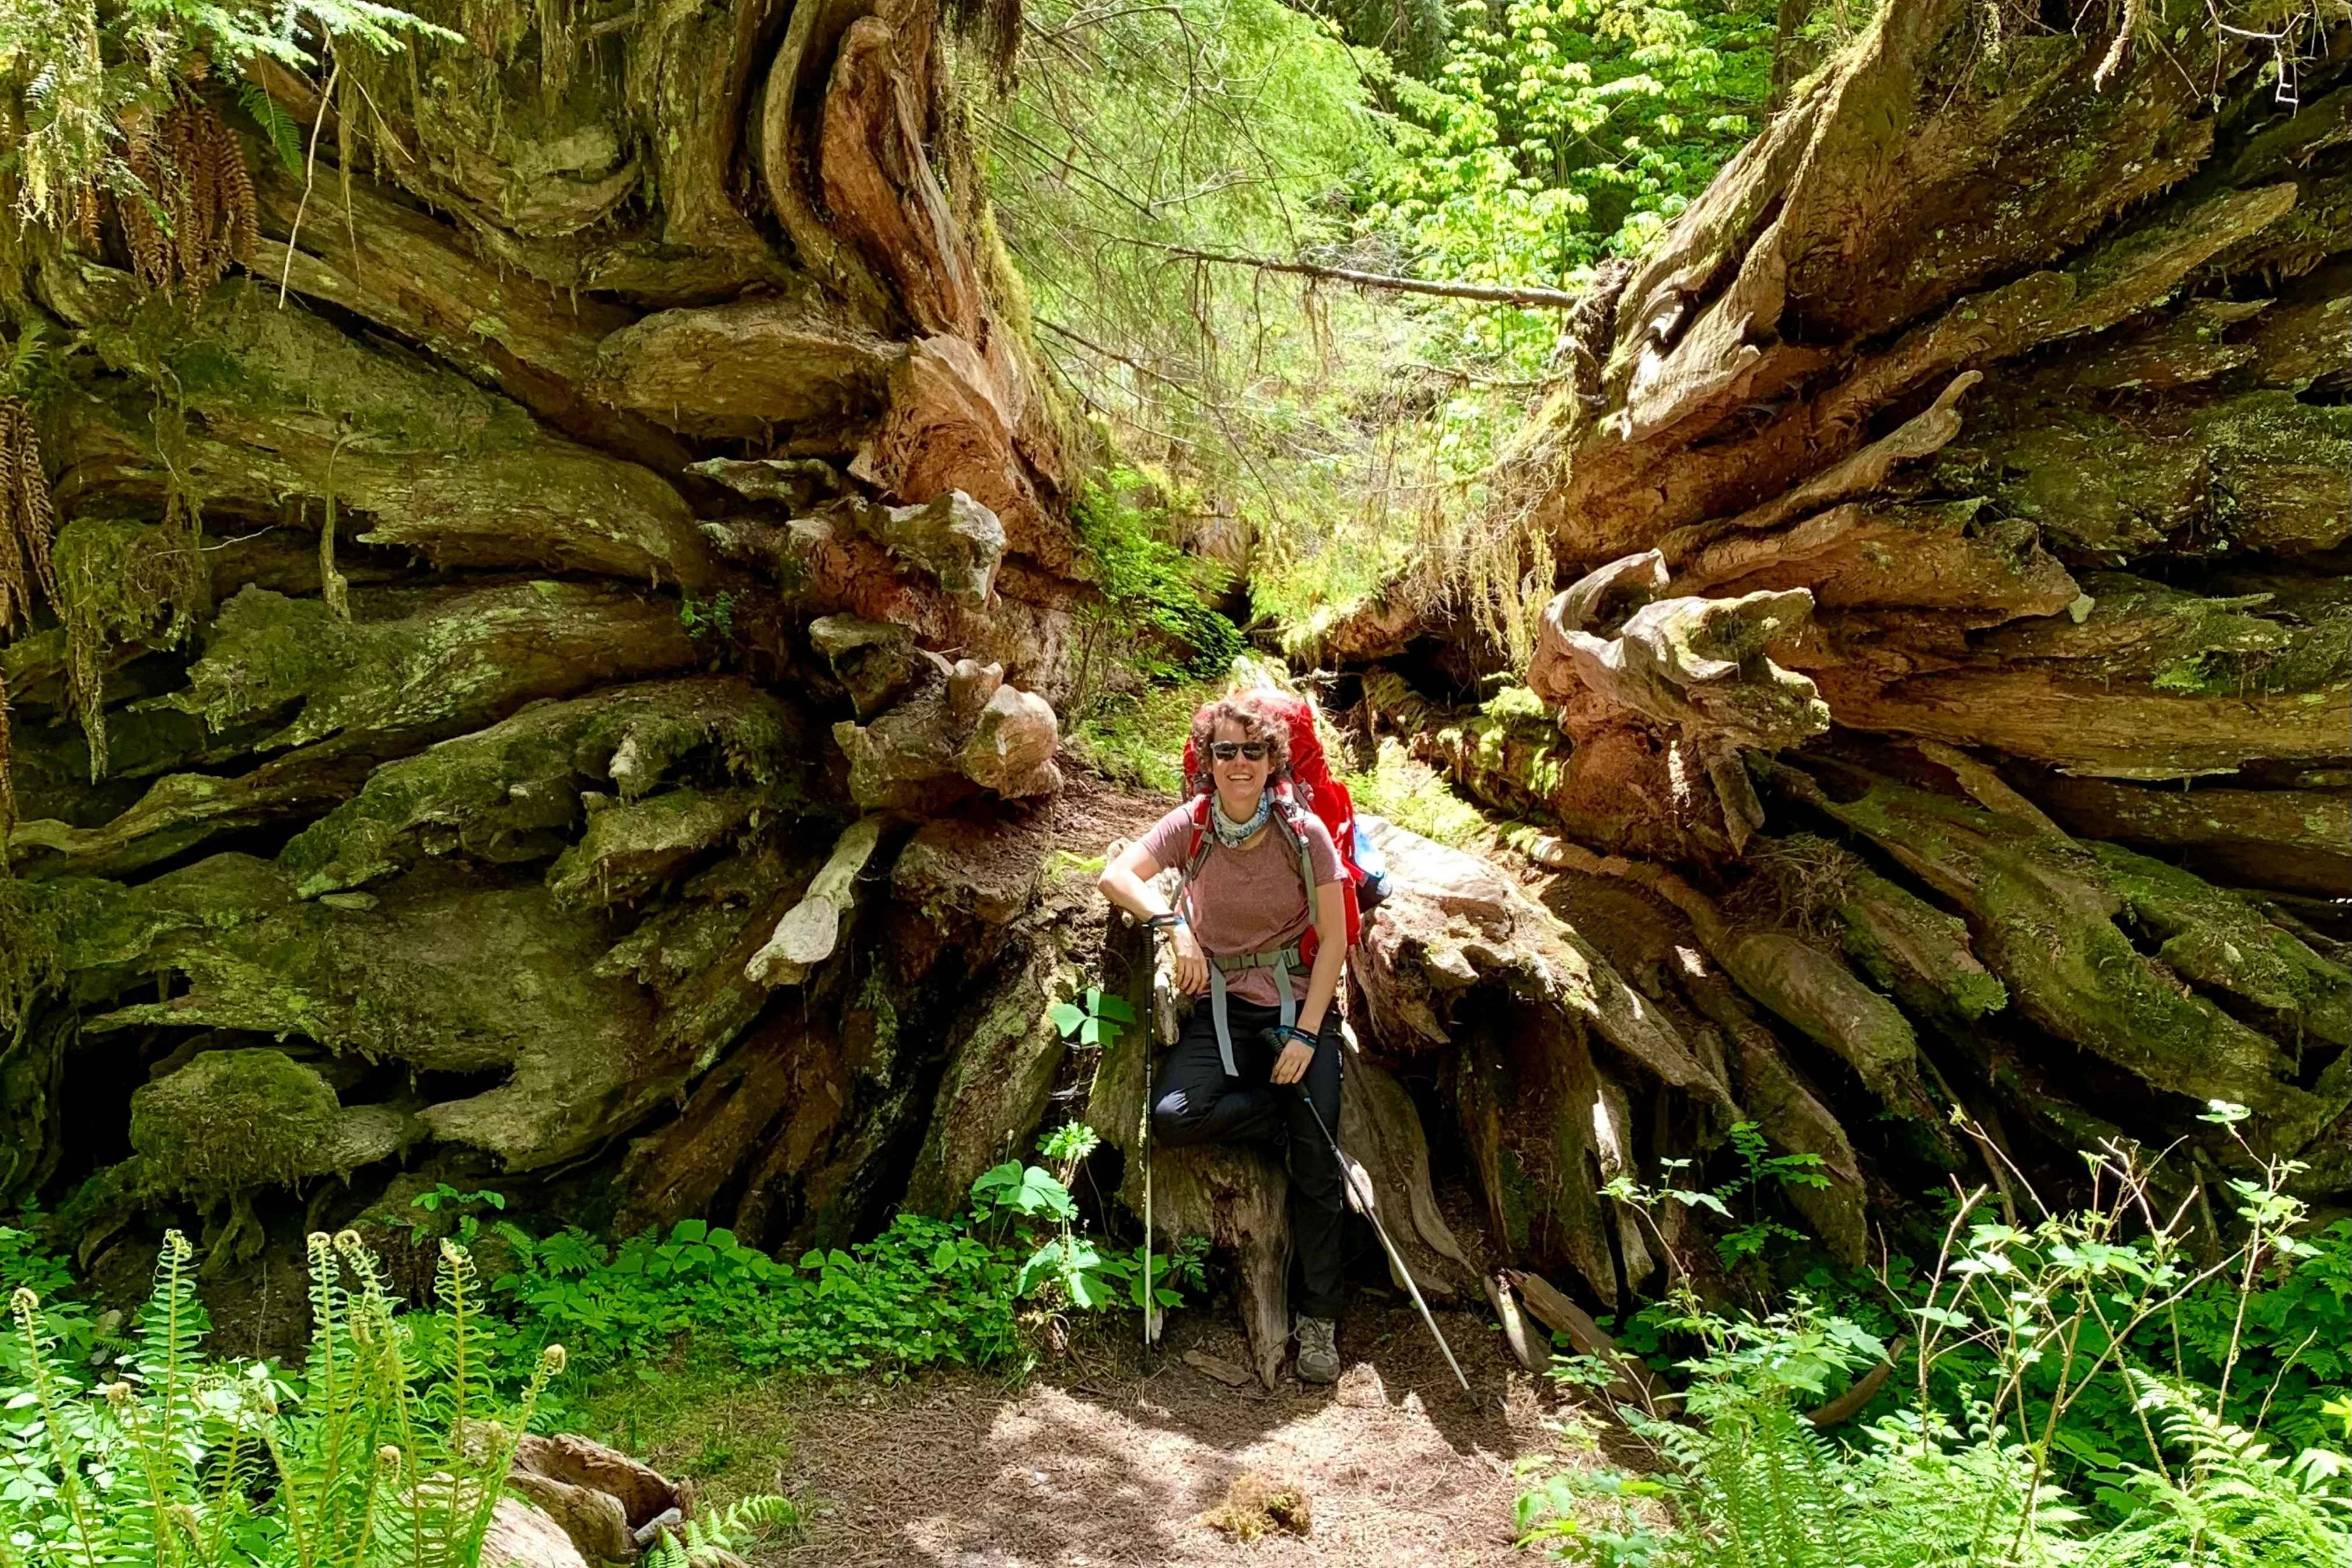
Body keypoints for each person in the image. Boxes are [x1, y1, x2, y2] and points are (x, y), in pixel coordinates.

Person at [1097, 691, 1350, 1384]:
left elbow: (1334, 943)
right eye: (1225, 752)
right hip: (1219, 1006)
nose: (1239, 764)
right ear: (1209, 762)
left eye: (1252, 751)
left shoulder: (1306, 835)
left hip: (1294, 1001)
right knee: (1173, 1118)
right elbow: (1117, 875)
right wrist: (1174, 924)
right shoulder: (1195, 824)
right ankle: (1282, 1117)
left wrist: (1305, 1035)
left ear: (1274, 761)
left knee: (1319, 1163)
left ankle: (1320, 1318)